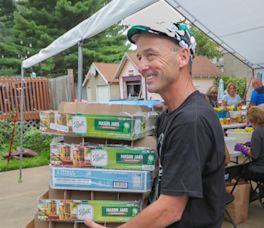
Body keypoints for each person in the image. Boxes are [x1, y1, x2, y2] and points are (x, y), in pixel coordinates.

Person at [85, 21, 226, 228]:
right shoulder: (170, 114)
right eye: (140, 57)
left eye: (151, 55)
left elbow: (170, 210)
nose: (142, 66)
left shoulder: (190, 120)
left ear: (183, 57)